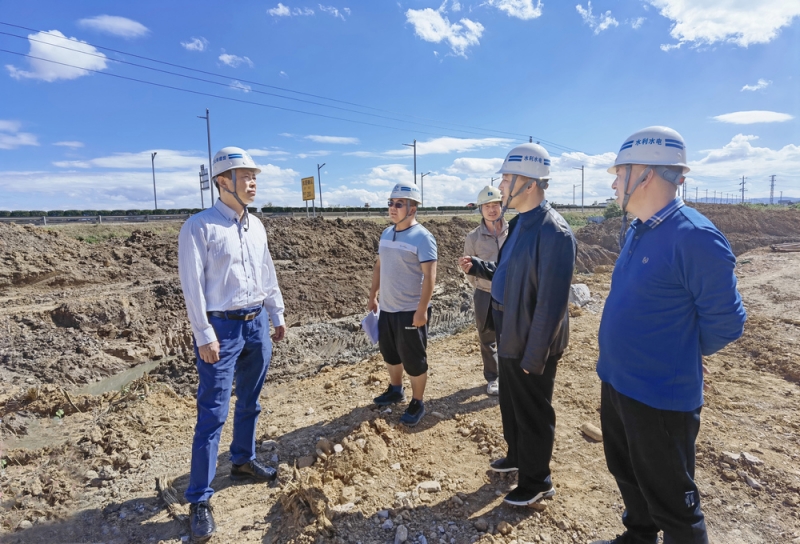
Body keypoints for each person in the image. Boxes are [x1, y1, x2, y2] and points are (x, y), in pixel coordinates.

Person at [591, 127, 746, 544]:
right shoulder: (639, 228)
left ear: (645, 174)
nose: (614, 183)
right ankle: (638, 536)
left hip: (659, 396)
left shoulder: (695, 237)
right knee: (627, 472)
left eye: (619, 173)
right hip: (618, 382)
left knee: (674, 503)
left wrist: (682, 355)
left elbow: (727, 321)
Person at [178, 146, 286, 543]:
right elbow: (191, 286)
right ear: (223, 181)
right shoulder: (199, 227)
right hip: (221, 329)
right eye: (245, 176)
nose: (253, 182)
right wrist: (204, 334)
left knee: (251, 400)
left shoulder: (255, 225)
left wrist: (276, 312)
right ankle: (199, 498)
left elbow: (266, 272)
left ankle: (242, 460)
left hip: (256, 323)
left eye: (254, 176)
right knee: (213, 412)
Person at [459, 143, 577, 506]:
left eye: (507, 178)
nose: (501, 186)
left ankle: (537, 480)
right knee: (511, 404)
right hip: (510, 329)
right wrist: (480, 268)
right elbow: (512, 273)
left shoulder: (553, 232)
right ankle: (516, 456)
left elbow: (551, 303)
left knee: (533, 410)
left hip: (531, 338)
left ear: (530, 182)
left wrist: (534, 356)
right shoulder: (520, 223)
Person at [368, 181, 437, 427]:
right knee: (390, 353)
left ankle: (418, 402)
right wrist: (373, 295)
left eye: (399, 204)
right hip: (387, 309)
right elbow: (379, 266)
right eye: (391, 203)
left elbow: (430, 276)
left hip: (410, 311)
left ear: (412, 208)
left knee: (414, 359)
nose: (392, 208)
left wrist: (422, 310)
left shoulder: (423, 238)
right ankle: (396, 389)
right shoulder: (386, 233)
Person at [463, 185, 508, 395]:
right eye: (487, 206)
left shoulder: (514, 233)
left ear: (502, 206)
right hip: (484, 294)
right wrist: (483, 286)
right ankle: (493, 377)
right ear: (480, 209)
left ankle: (512, 375)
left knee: (512, 335)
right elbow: (469, 268)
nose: (491, 210)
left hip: (511, 294)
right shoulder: (473, 237)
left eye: (495, 205)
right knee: (487, 338)